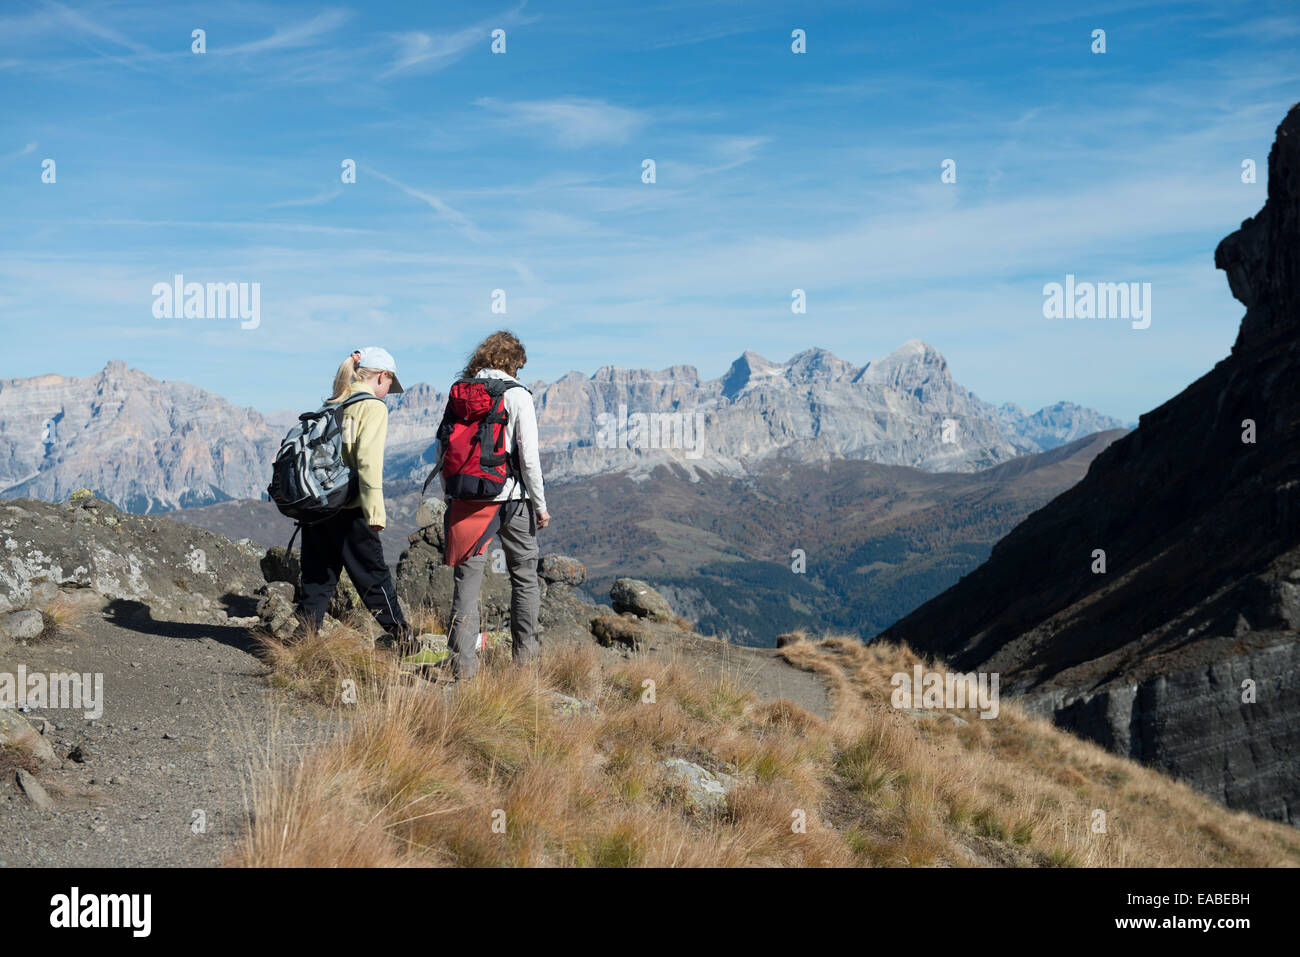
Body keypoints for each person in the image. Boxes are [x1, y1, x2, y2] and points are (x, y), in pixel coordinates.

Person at [438, 331, 551, 680]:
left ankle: (463, 671)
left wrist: (452, 494)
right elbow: (528, 457)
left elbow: (442, 448)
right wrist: (540, 506)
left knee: (467, 585)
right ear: (513, 362)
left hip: (468, 500)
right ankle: (525, 666)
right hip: (513, 498)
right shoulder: (518, 395)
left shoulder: (460, 393)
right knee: (524, 578)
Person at [294, 347, 412, 651]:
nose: (388, 392)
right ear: (382, 377)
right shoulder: (372, 407)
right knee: (374, 576)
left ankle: (302, 641)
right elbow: (368, 462)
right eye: (389, 385)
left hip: (318, 504)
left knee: (318, 576)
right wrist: (375, 514)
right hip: (349, 506)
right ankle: (403, 639)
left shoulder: (332, 402)